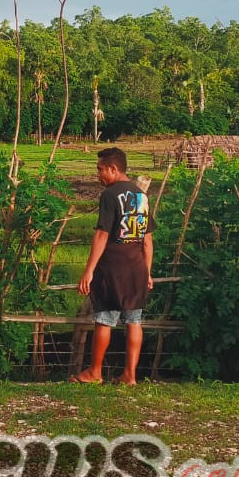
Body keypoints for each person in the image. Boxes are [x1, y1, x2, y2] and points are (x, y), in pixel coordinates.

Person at [72, 147, 155, 385]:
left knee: (105, 318)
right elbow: (147, 241)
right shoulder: (141, 196)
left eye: (100, 169)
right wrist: (147, 272)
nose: (98, 175)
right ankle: (130, 374)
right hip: (137, 267)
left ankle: (95, 372)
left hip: (112, 268)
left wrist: (88, 270)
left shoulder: (109, 196)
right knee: (134, 320)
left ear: (113, 168)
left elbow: (101, 235)